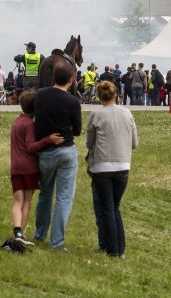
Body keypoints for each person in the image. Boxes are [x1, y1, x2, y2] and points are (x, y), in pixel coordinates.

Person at [86, 80, 138, 257]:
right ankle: (120, 248)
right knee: (115, 207)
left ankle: (113, 250)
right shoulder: (127, 113)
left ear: (99, 97)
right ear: (116, 95)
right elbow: (134, 143)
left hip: (102, 166)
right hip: (123, 165)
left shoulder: (96, 115)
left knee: (107, 207)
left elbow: (89, 143)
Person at [33, 62, 82, 249]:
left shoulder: (41, 95)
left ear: (53, 77)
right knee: (64, 197)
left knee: (45, 194)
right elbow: (77, 130)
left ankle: (39, 235)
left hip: (45, 151)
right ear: (71, 80)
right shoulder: (72, 101)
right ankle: (57, 242)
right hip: (66, 150)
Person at [9, 90, 64, 246]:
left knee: (17, 201)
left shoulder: (17, 122)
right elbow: (31, 147)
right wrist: (48, 139)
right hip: (29, 168)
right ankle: (21, 234)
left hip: (15, 167)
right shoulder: (29, 124)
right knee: (27, 201)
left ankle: (17, 231)